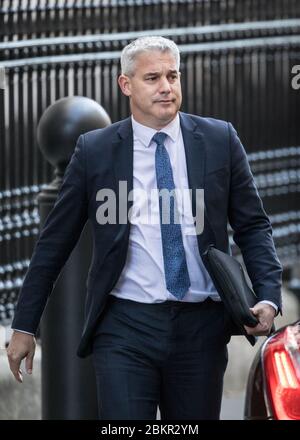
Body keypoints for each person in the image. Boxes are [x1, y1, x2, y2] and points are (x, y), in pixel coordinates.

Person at [7, 36, 282, 420]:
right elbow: (54, 244)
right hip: (125, 328)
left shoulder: (220, 139)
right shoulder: (95, 150)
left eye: (173, 75)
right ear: (126, 85)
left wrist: (268, 298)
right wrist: (24, 325)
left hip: (201, 328)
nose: (166, 87)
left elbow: (253, 225)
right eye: (153, 77)